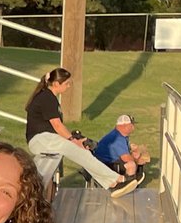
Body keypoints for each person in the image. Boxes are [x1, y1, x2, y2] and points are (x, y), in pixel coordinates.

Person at [25, 68, 138, 198]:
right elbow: (57, 125)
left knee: (83, 153)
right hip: (40, 140)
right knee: (79, 151)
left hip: (47, 140)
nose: (69, 86)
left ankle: (112, 183)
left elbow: (56, 128)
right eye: (67, 83)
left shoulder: (49, 97)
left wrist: (74, 140)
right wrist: (72, 140)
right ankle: (118, 179)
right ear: (56, 84)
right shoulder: (47, 97)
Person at [93, 113, 149, 185]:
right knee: (131, 165)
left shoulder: (118, 135)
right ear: (124, 126)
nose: (133, 127)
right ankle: (126, 185)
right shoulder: (117, 139)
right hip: (105, 165)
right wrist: (138, 160)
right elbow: (126, 158)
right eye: (131, 125)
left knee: (134, 157)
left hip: (104, 161)